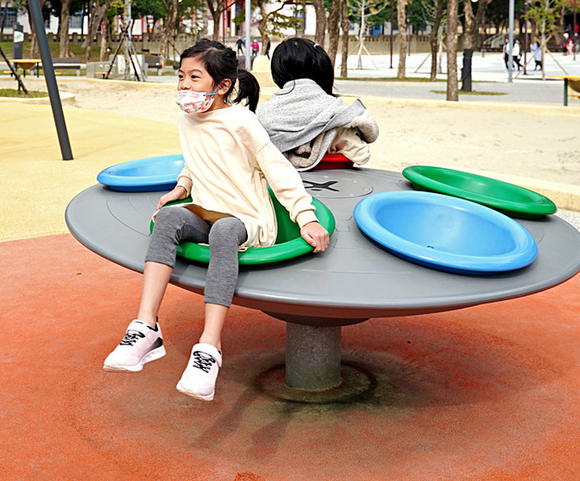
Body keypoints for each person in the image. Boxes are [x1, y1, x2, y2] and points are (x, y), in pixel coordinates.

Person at [102, 39, 330, 401]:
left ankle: (209, 348)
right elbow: (198, 159)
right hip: (206, 209)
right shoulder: (187, 118)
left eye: (195, 77)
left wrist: (305, 216)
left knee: (225, 229)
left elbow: (278, 170)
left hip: (246, 218)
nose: (184, 85)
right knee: (167, 219)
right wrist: (182, 186)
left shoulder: (242, 121)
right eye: (180, 76)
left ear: (222, 85)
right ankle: (146, 327)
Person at [256, 37, 379, 169]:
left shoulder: (262, 115)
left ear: (277, 75)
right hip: (335, 180)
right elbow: (362, 154)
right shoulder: (336, 113)